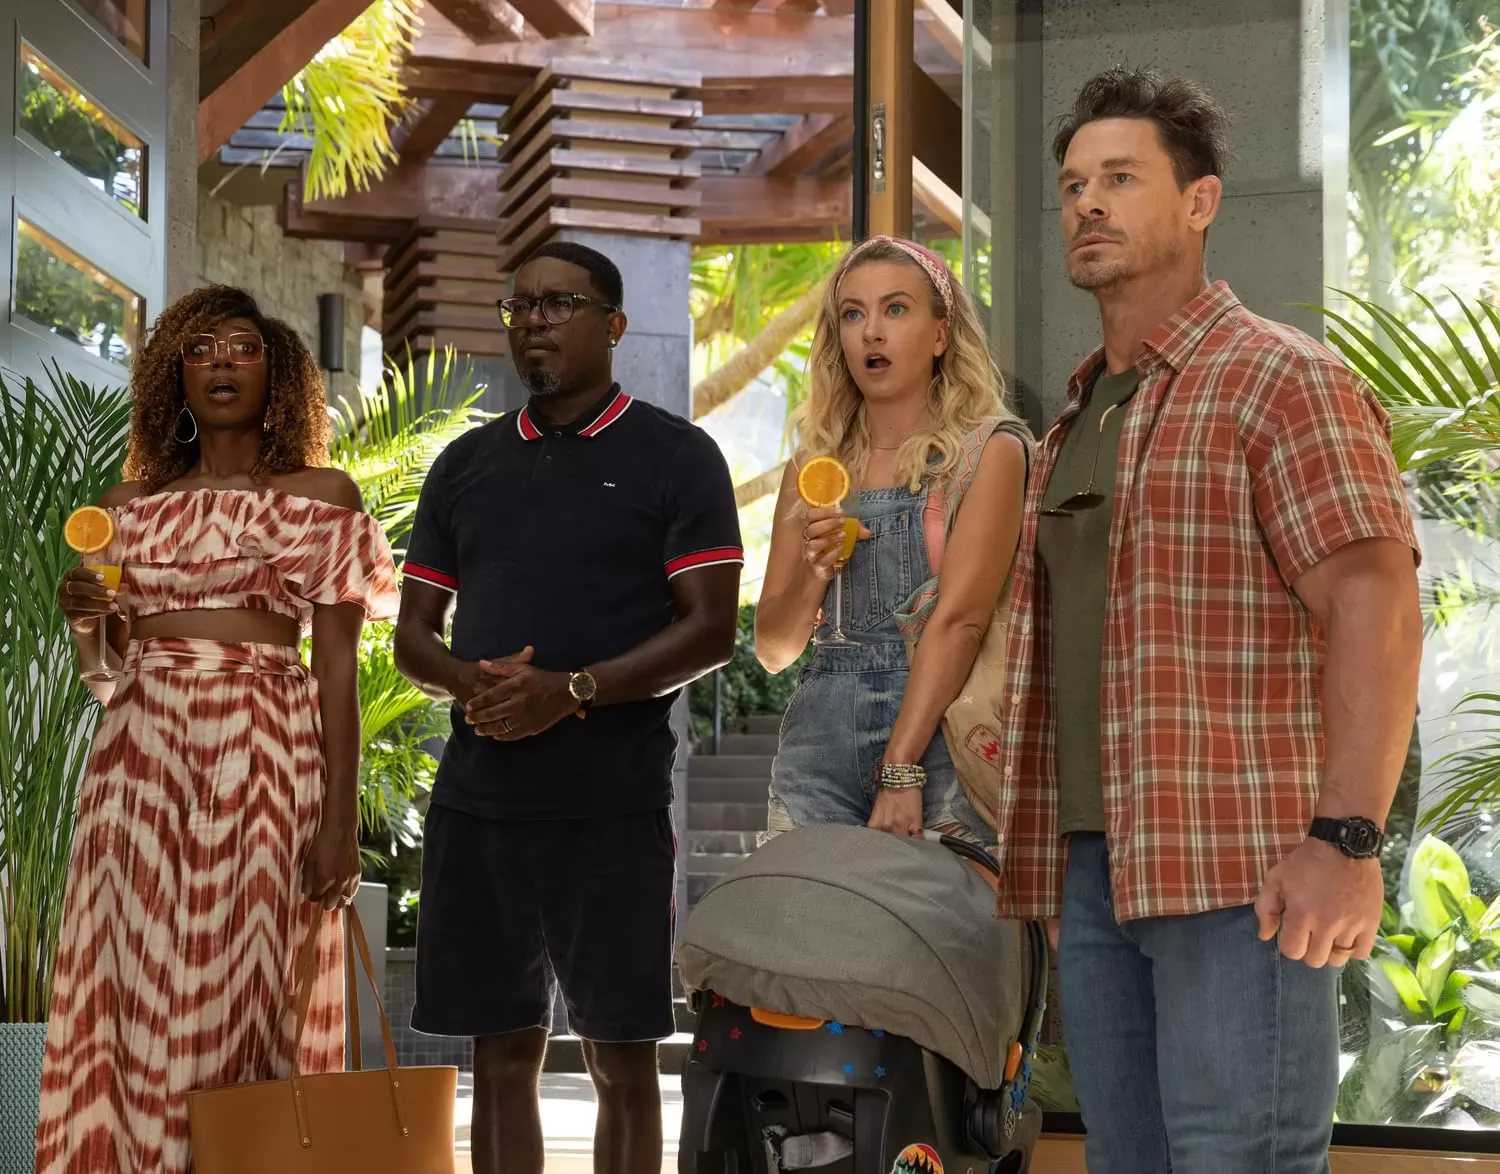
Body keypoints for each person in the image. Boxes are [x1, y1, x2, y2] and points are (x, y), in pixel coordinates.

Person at [989, 68, 1423, 1172]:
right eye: (1074, 184)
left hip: (1245, 871)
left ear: (1201, 201)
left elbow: (1375, 605)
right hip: (1096, 868)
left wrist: (1347, 840)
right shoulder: (1077, 418)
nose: (1088, 202)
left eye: (1121, 178)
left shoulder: (1281, 379)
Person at [393, 241, 742, 1174]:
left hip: (612, 806)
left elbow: (711, 630)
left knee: (621, 1060)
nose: (536, 321)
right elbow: (413, 637)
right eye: (522, 306)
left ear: (614, 324)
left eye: (560, 303)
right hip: (480, 807)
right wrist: (472, 684)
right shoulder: (465, 465)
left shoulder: (678, 456)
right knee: (499, 1057)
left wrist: (572, 691)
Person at [38, 285, 398, 1173]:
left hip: (264, 751)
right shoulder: (128, 506)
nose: (222, 361)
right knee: (135, 987)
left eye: (243, 345)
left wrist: (339, 824)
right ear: (176, 376)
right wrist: (87, 622)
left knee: (248, 986)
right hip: (139, 759)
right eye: (199, 350)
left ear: (278, 372)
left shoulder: (320, 496)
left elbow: (338, 671)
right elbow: (105, 678)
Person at [755, 237, 1029, 846]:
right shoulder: (813, 468)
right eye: (853, 314)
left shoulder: (989, 451)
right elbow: (773, 649)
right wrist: (815, 570)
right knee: (800, 910)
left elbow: (960, 622)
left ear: (940, 334)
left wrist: (901, 767)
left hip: (942, 740)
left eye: (895, 309)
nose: (871, 332)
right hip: (817, 751)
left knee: (934, 912)